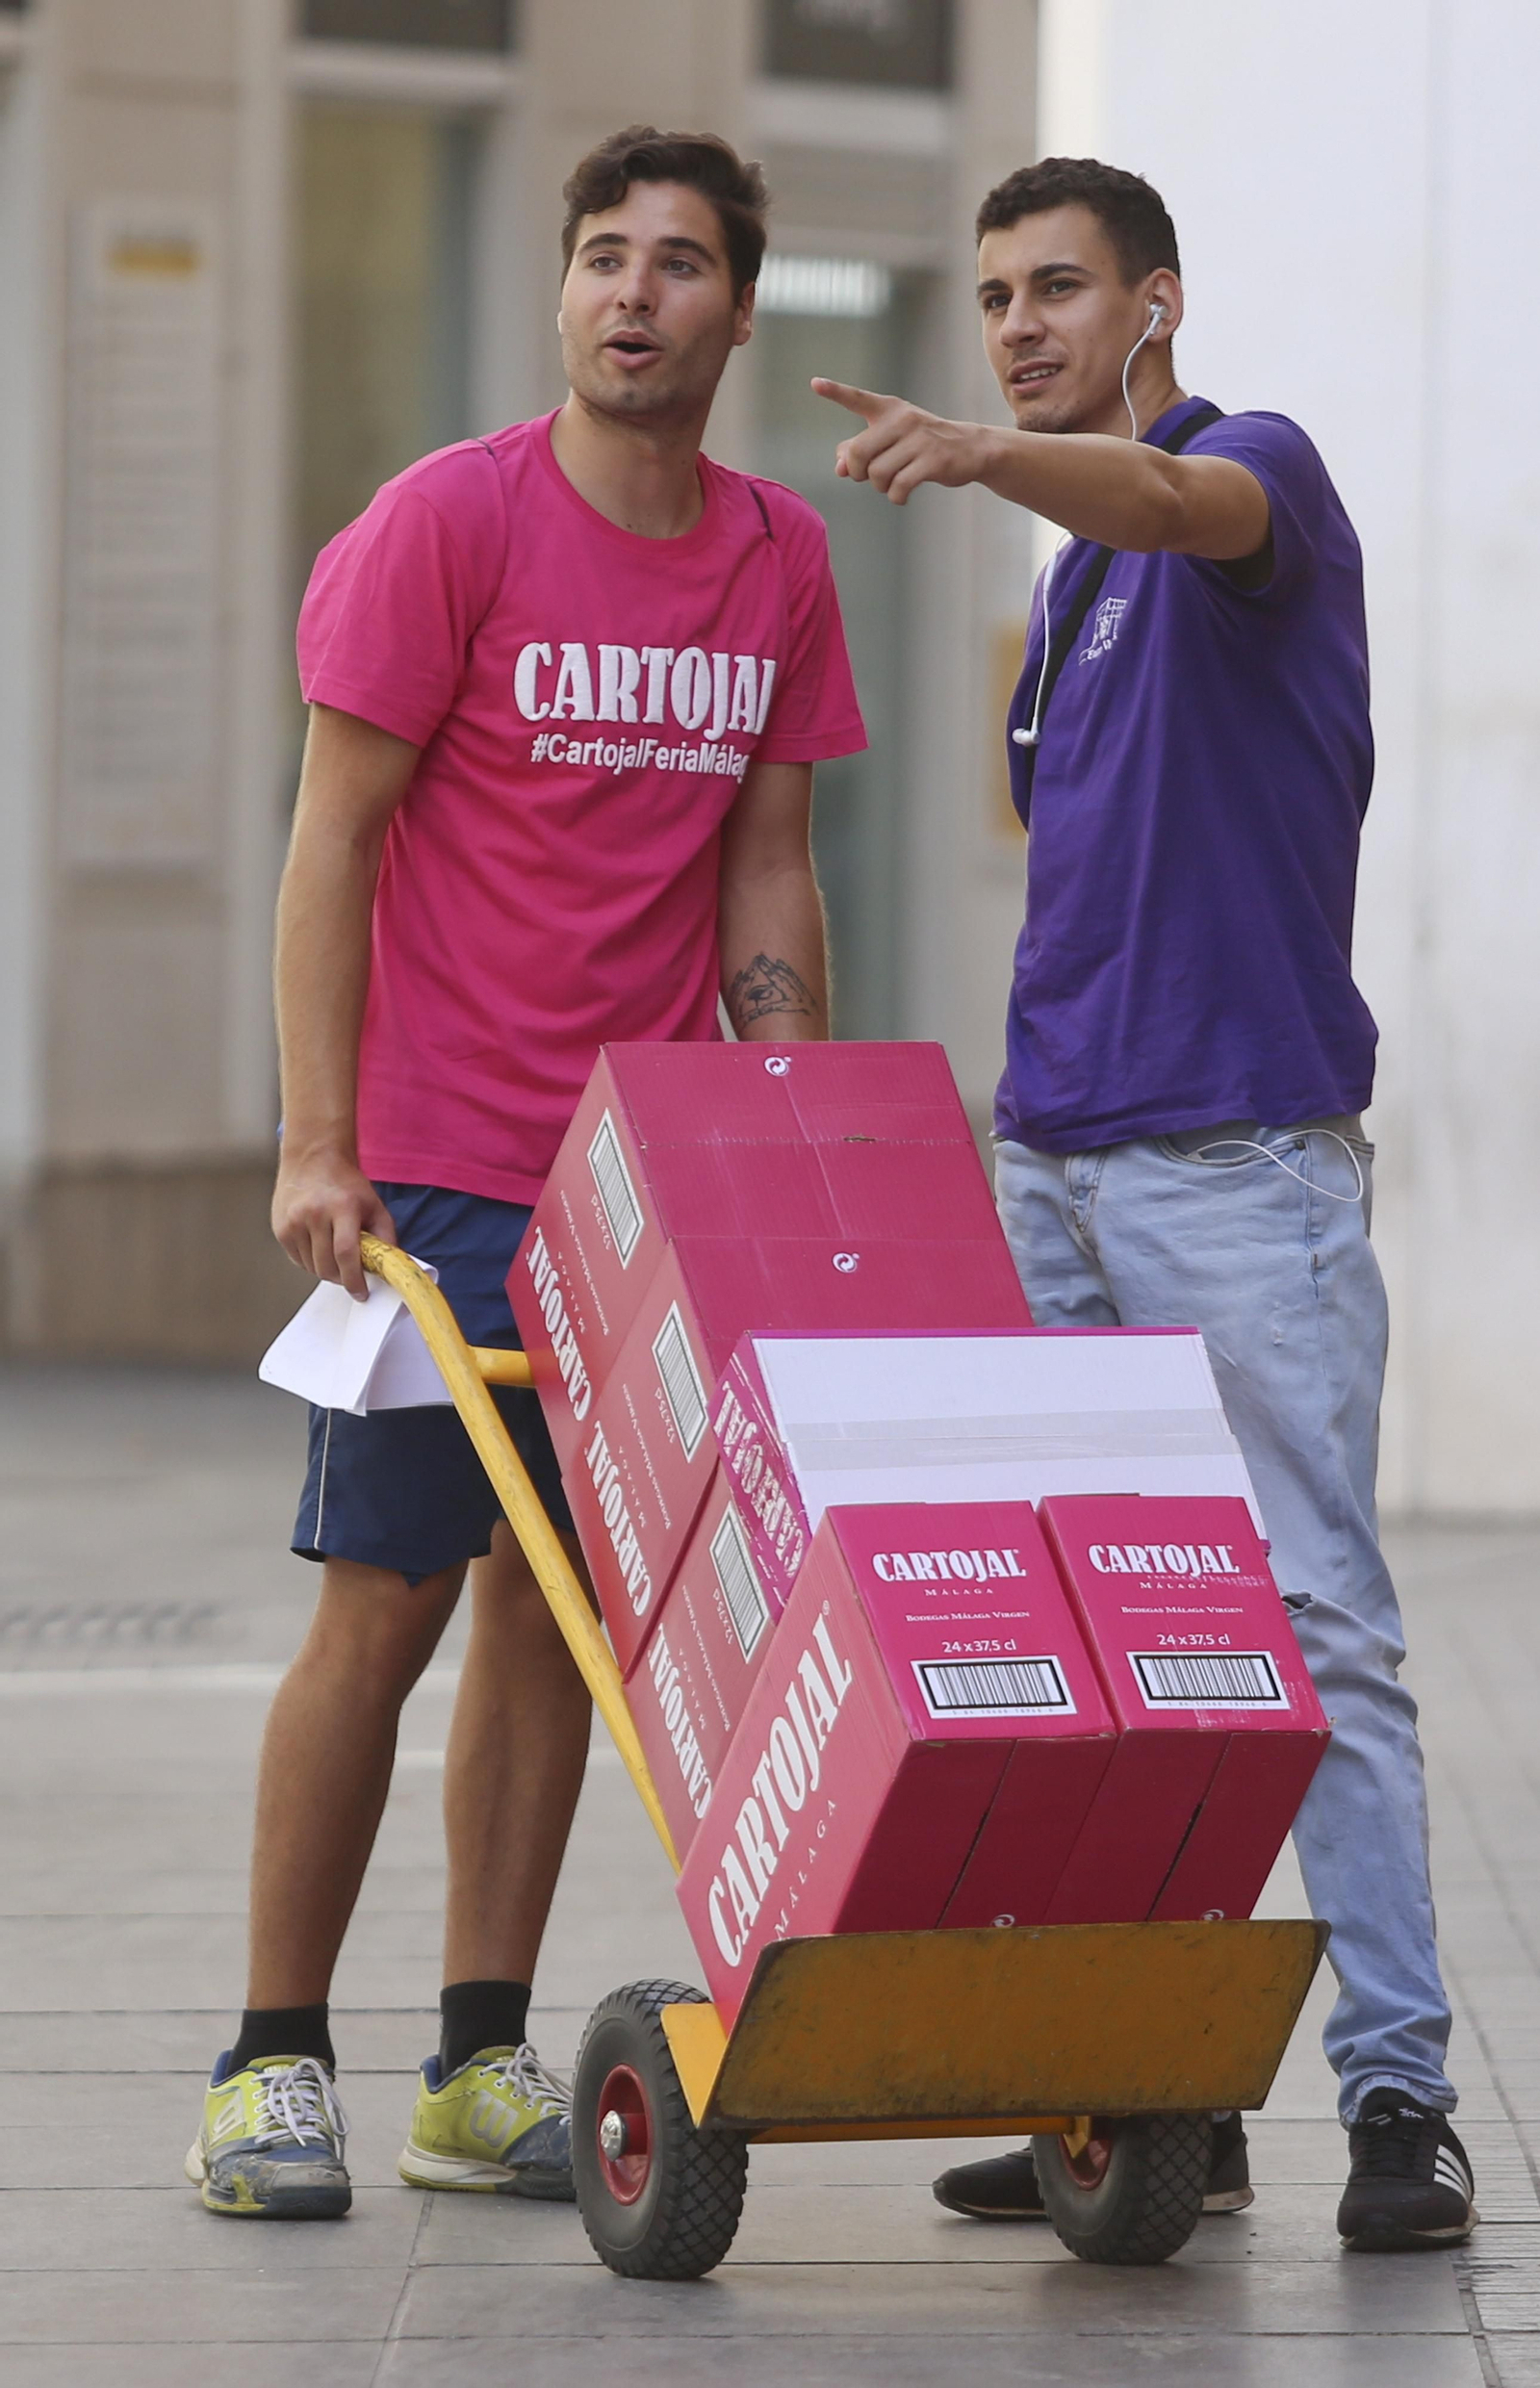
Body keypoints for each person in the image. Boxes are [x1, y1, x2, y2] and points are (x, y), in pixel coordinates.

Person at [185, 125, 864, 2220]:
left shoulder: (774, 557)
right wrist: (319, 1140)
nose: (632, 292)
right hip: (445, 1179)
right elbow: (333, 839)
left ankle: (476, 2059)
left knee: (558, 1617)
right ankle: (266, 2063)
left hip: (638, 1191)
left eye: (679, 262)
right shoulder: (447, 523)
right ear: (562, 290)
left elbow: (768, 861)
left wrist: (784, 1128)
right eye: (602, 257)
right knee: (381, 1602)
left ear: (737, 312)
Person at [815, 156, 1475, 2255]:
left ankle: (1400, 2096)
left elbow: (1185, 503)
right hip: (1058, 1171)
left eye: (1059, 289)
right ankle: (1139, 2084)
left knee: (1314, 1628)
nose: (1017, 324)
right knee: (1111, 1649)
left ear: (1155, 302)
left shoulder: (1248, 474)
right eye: (995, 296)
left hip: (1237, 1171)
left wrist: (989, 453)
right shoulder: (1063, 593)